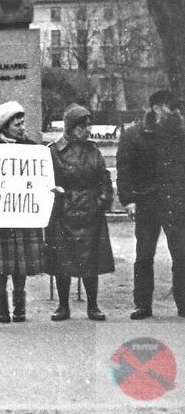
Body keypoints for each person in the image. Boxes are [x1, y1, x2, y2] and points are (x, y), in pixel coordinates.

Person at [117, 89, 185, 319]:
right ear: (156, 109)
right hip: (146, 203)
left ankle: (183, 303)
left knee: (182, 254)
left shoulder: (181, 134)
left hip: (176, 202)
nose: (176, 112)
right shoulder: (134, 135)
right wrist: (128, 200)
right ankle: (142, 305)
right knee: (144, 255)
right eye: (171, 108)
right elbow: (124, 170)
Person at [46, 104, 114, 322]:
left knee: (90, 261)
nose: (88, 129)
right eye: (83, 126)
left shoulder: (93, 150)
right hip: (63, 214)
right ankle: (63, 306)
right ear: (71, 127)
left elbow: (104, 179)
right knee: (61, 261)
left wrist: (101, 202)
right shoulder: (53, 151)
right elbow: (47, 182)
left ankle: (92, 306)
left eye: (88, 125)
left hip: (90, 212)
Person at [0, 101, 45, 323]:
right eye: (18, 124)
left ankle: (19, 305)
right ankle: (1, 304)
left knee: (21, 262)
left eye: (23, 122)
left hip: (23, 214)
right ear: (5, 127)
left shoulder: (33, 149)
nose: (23, 127)